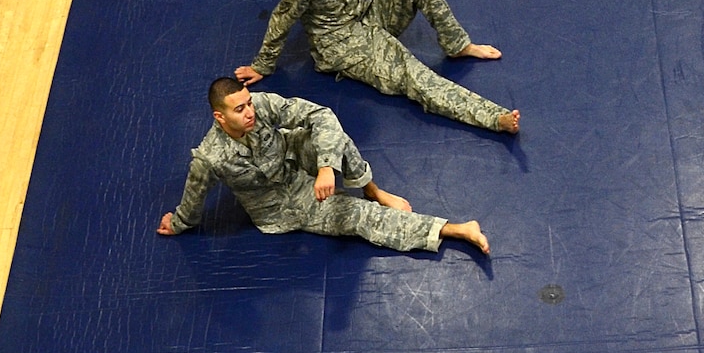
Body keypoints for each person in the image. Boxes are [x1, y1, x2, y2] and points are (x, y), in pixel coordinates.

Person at [237, 0, 518, 133]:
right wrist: (262, 66)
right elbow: (281, 20)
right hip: (340, 44)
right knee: (412, 72)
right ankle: (494, 118)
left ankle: (457, 45)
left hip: (364, 14)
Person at [158, 77, 490, 254]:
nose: (250, 112)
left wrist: (327, 166)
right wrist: (179, 223)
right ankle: (455, 229)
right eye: (240, 110)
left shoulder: (259, 105)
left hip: (290, 154)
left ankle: (373, 190)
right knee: (357, 217)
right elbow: (195, 195)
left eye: (248, 103)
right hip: (283, 203)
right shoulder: (210, 156)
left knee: (332, 138)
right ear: (220, 117)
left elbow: (320, 114)